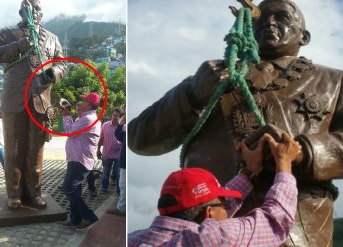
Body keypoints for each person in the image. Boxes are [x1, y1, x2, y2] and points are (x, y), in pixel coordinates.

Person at [128, 0, 343, 246]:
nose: (269, 22)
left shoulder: (334, 82)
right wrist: (191, 94)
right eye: (261, 18)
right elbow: (139, 139)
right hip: (201, 232)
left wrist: (303, 152)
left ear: (304, 36)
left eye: (282, 17)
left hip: (297, 232)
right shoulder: (212, 78)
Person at [129, 133, 301, 246]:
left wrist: (248, 171)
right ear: (208, 214)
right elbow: (276, 221)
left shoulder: (133, 239)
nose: (229, 207)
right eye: (225, 205)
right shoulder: (210, 238)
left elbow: (207, 204)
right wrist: (284, 162)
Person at [0, 0, 66, 209]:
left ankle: (34, 193)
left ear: (42, 13)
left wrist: (54, 73)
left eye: (37, 8)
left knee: (35, 150)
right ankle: (14, 194)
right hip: (14, 98)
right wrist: (17, 47)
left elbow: (62, 63)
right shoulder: (7, 33)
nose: (34, 12)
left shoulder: (52, 38)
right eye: (29, 8)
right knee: (13, 149)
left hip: (40, 99)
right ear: (21, 12)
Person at [61, 92, 101, 230]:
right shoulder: (85, 118)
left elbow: (69, 132)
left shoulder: (88, 119)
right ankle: (75, 220)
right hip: (76, 159)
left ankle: (89, 217)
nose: (79, 103)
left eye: (83, 101)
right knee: (75, 190)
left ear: (89, 105)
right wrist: (70, 116)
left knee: (68, 188)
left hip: (79, 161)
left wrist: (66, 116)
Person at [97, 108, 122, 193]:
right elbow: (101, 138)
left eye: (117, 116)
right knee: (106, 172)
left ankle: (119, 190)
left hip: (119, 154)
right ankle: (104, 188)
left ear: (120, 117)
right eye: (113, 115)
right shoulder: (105, 125)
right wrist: (98, 150)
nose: (114, 117)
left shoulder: (122, 127)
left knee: (119, 173)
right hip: (107, 154)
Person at [107, 112, 126, 216]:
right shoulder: (125, 128)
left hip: (127, 163)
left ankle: (122, 208)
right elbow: (118, 136)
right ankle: (122, 207)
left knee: (123, 185)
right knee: (123, 185)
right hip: (124, 162)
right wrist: (120, 124)